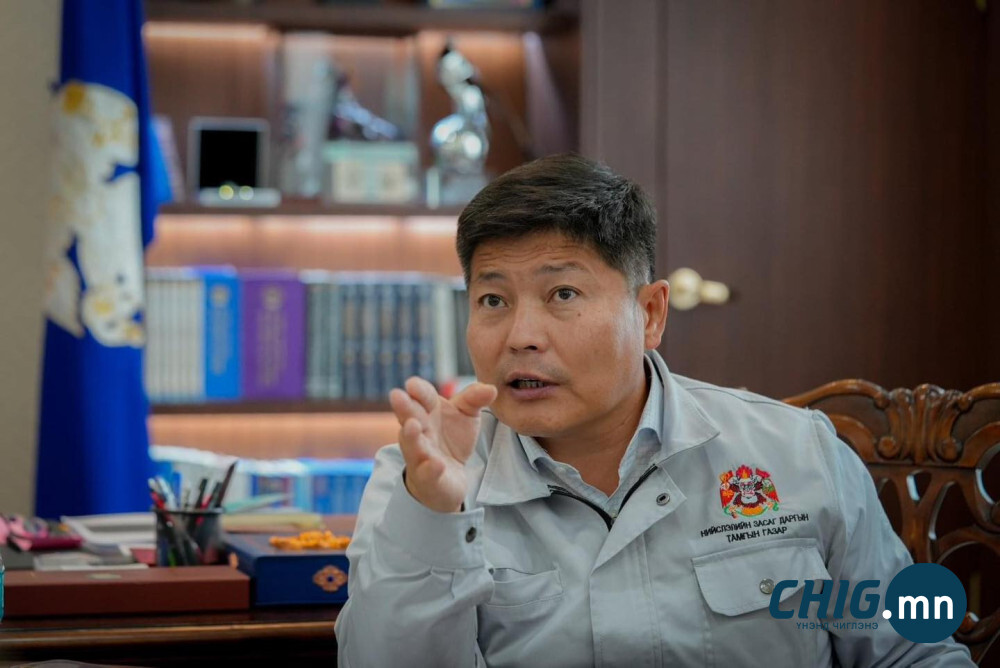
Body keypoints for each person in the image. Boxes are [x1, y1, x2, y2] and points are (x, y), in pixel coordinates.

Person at [334, 154, 973, 667]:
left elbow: (913, 651)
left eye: (562, 293)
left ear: (650, 314)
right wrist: (435, 520)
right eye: (493, 301)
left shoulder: (797, 452)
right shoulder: (420, 482)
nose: (520, 336)